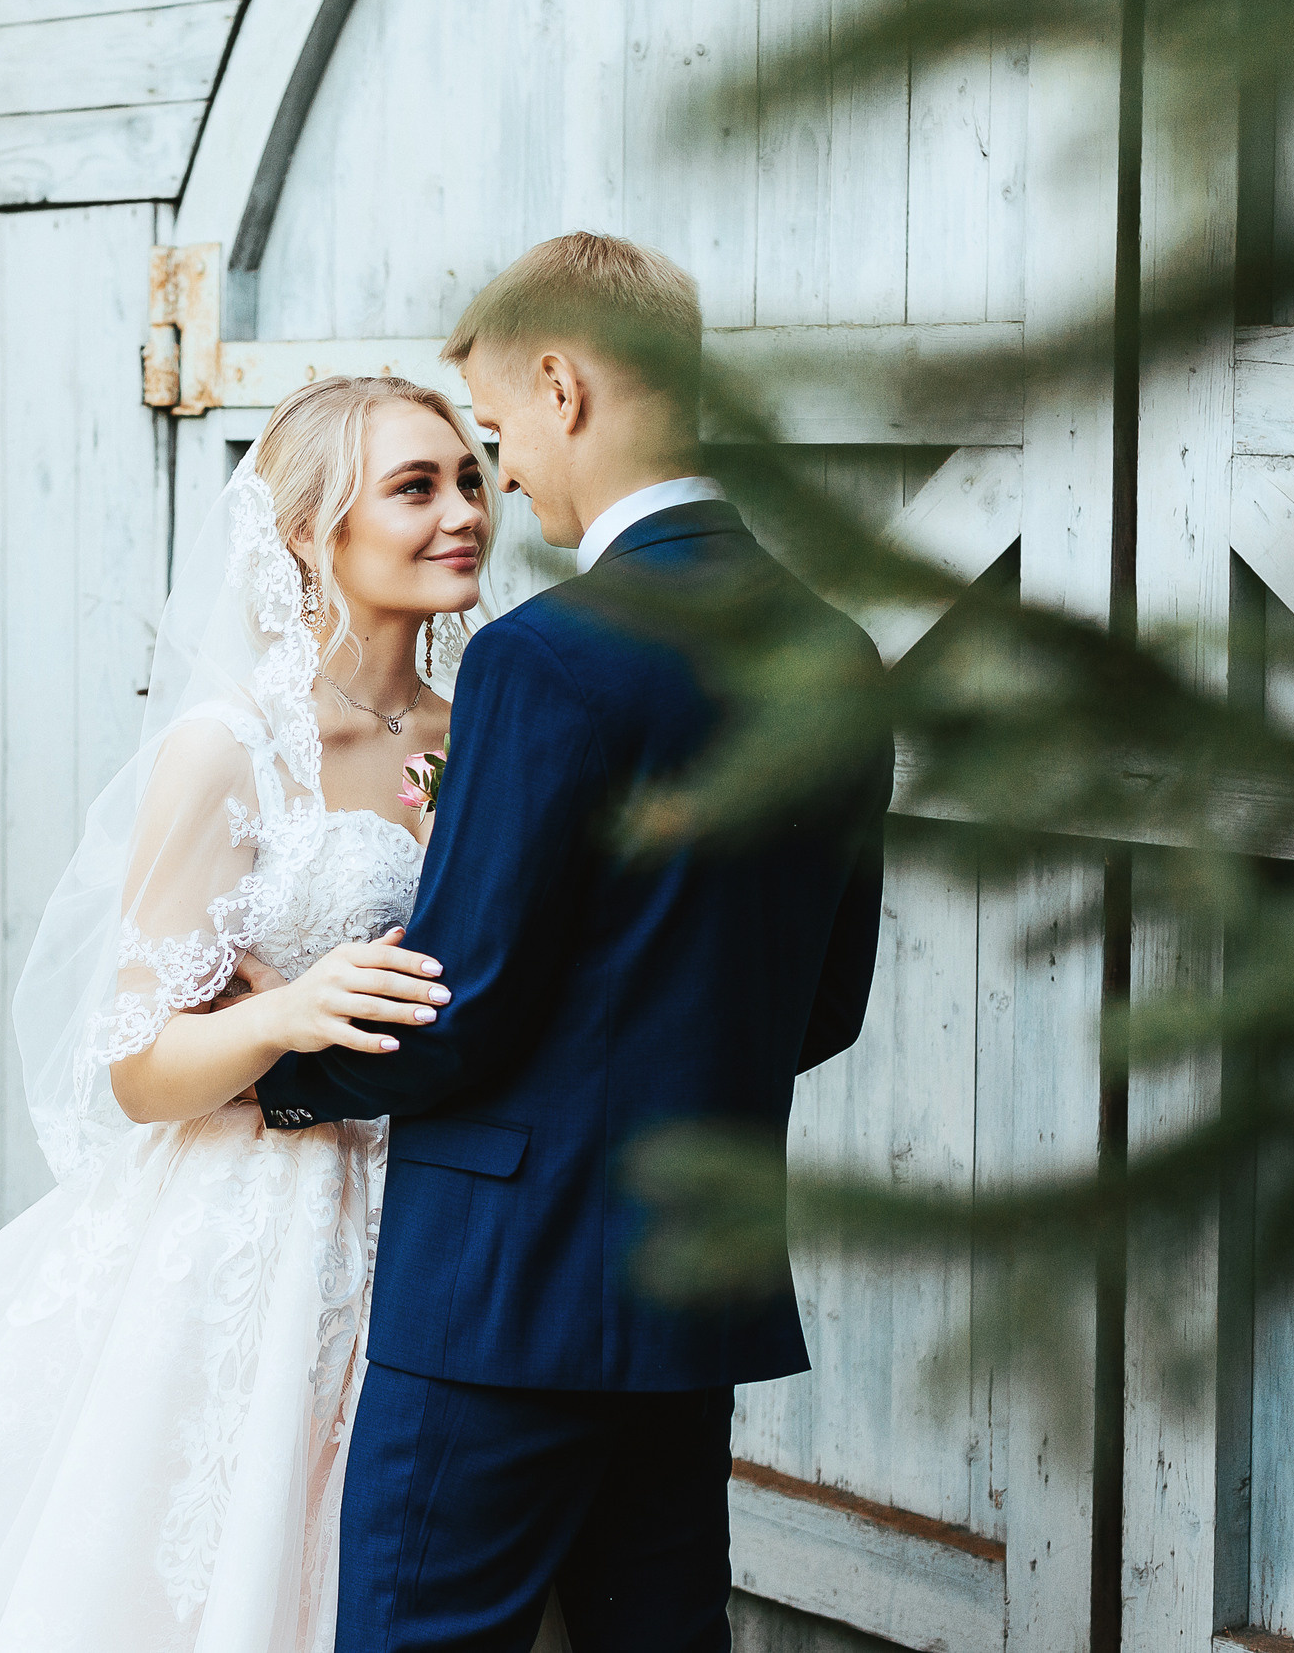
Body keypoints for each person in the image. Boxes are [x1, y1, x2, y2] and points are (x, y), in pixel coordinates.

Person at [0, 375, 493, 1652]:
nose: (463, 513)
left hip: (440, 1210)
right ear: (312, 529)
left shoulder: (481, 726)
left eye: (471, 478)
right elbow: (140, 1067)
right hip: (254, 1223)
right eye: (416, 487)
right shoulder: (232, 749)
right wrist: (293, 1011)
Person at [249, 232, 895, 1652]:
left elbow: (461, 1005)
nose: (504, 480)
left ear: (561, 383)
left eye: (494, 436)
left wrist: (272, 1068)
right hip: (689, 1287)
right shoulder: (834, 647)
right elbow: (826, 997)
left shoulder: (548, 656)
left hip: (498, 1287)